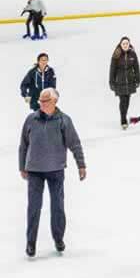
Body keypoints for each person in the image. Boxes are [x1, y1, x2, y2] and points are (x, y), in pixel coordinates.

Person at [18, 88, 86, 258]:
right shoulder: (31, 119)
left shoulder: (64, 121)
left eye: (45, 101)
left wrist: (81, 165)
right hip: (34, 170)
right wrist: (22, 166)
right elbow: (23, 145)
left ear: (54, 102)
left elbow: (74, 144)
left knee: (57, 206)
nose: (41, 104)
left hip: (56, 169)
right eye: (40, 101)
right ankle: (30, 243)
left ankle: (58, 238)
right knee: (34, 207)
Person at [110, 37, 140, 128]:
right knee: (122, 100)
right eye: (123, 44)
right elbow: (112, 69)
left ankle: (124, 114)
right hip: (119, 81)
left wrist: (138, 79)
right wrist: (111, 82)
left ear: (129, 44)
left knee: (127, 101)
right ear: (120, 44)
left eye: (127, 43)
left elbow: (136, 67)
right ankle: (123, 119)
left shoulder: (133, 54)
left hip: (130, 81)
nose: (125, 45)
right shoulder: (116, 54)